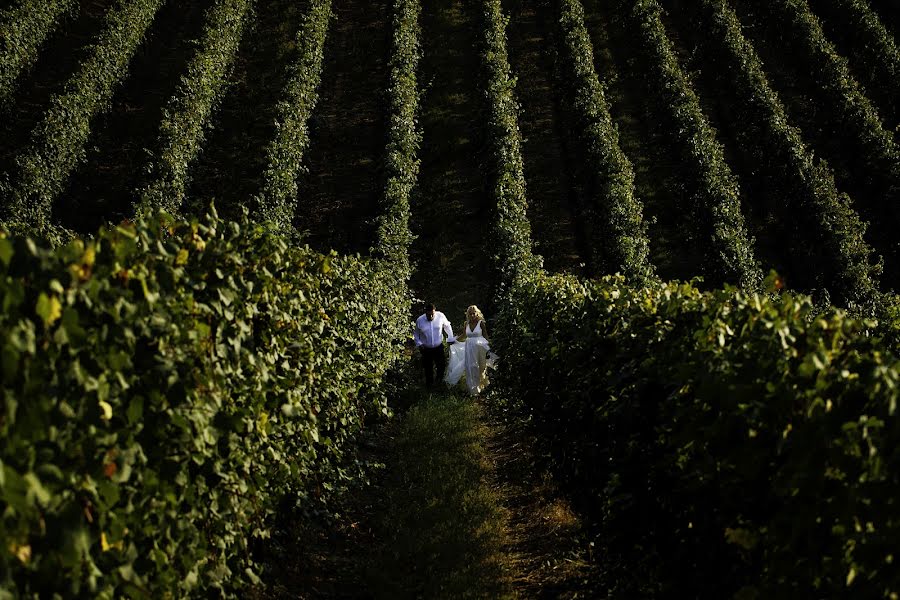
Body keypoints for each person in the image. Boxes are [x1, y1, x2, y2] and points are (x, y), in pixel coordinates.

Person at [445, 305, 496, 396]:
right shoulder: (466, 324)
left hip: (480, 347)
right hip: (469, 348)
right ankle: (474, 390)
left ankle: (483, 385)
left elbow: (485, 335)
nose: (472, 315)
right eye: (470, 314)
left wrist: (489, 347)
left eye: (474, 313)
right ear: (468, 314)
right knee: (471, 367)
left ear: (477, 313)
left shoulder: (481, 323)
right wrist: (454, 341)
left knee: (481, 367)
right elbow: (464, 335)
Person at [413, 302, 456, 389]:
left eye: (432, 314)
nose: (431, 317)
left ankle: (439, 382)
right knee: (428, 368)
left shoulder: (440, 316)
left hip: (438, 346)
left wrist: (450, 338)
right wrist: (419, 344)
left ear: (434, 311)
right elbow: (416, 334)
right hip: (426, 348)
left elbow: (447, 326)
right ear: (425, 313)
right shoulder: (420, 320)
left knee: (441, 365)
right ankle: (429, 386)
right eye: (429, 315)